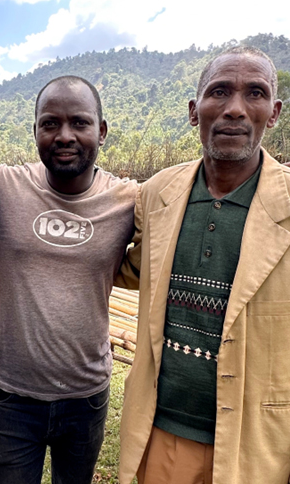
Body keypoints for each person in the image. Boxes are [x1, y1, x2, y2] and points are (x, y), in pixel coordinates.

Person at [0, 75, 138, 484]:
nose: (64, 135)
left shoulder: (128, 201)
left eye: (79, 123)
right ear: (35, 130)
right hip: (12, 396)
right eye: (50, 123)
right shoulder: (1, 186)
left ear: (102, 131)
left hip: (86, 396)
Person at [117, 46, 288, 484]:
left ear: (274, 112)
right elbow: (126, 266)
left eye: (255, 93)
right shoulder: (158, 193)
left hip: (259, 445)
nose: (235, 109)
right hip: (163, 433)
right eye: (220, 92)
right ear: (195, 111)